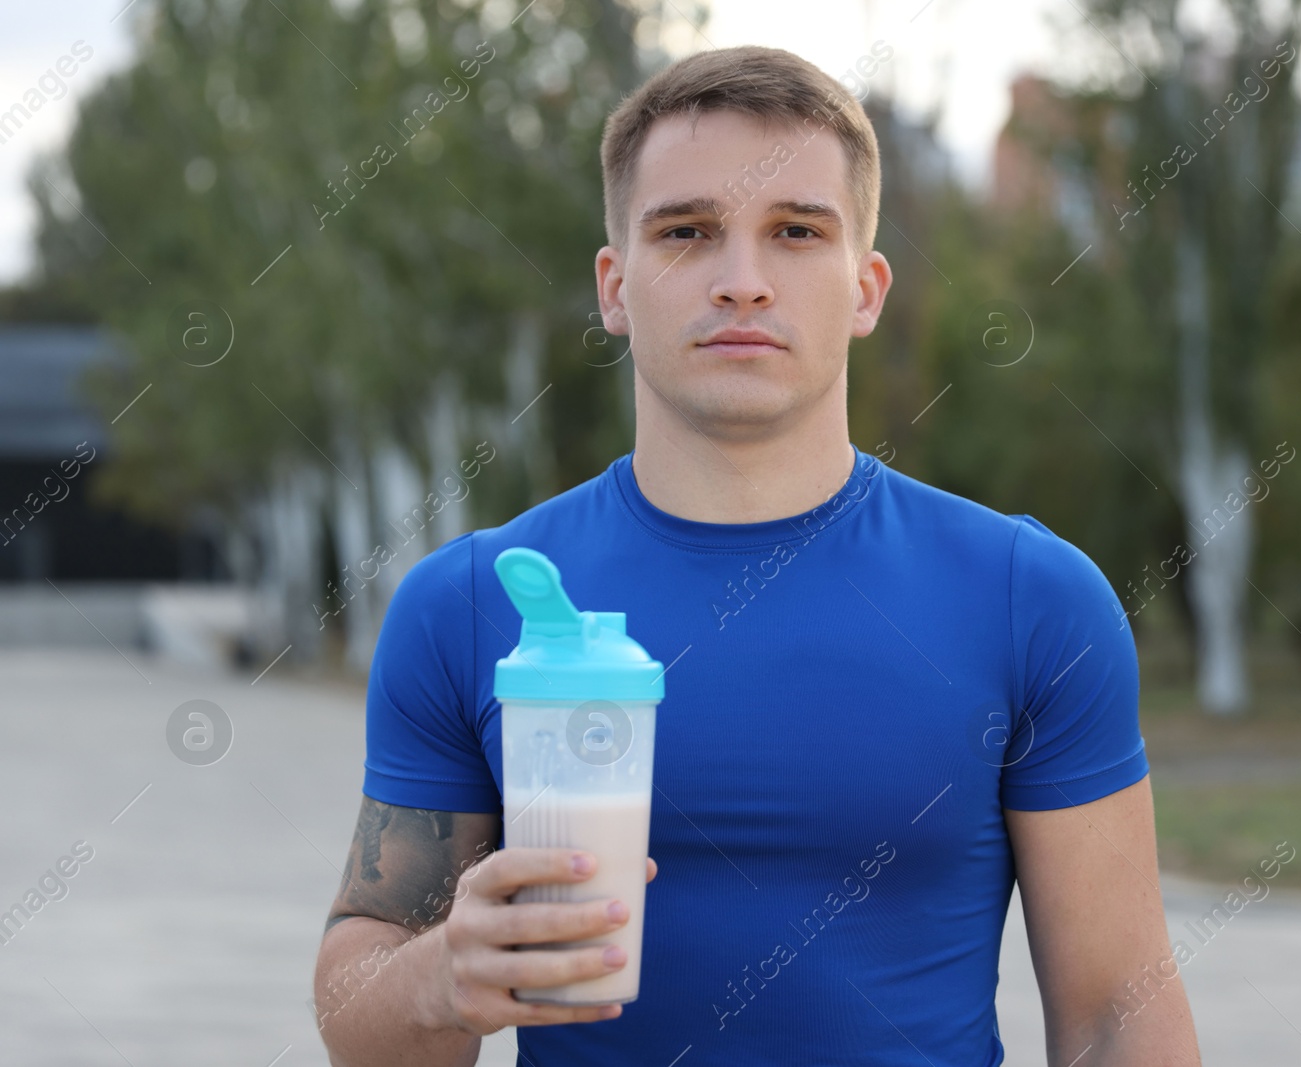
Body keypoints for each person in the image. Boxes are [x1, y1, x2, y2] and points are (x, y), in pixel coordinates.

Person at [313, 43, 1201, 1067]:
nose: (742, 282)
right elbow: (361, 1003)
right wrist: (438, 978)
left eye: (794, 232)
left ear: (865, 288)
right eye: (686, 232)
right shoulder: (467, 605)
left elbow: (1113, 1014)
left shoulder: (1029, 597)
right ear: (614, 284)